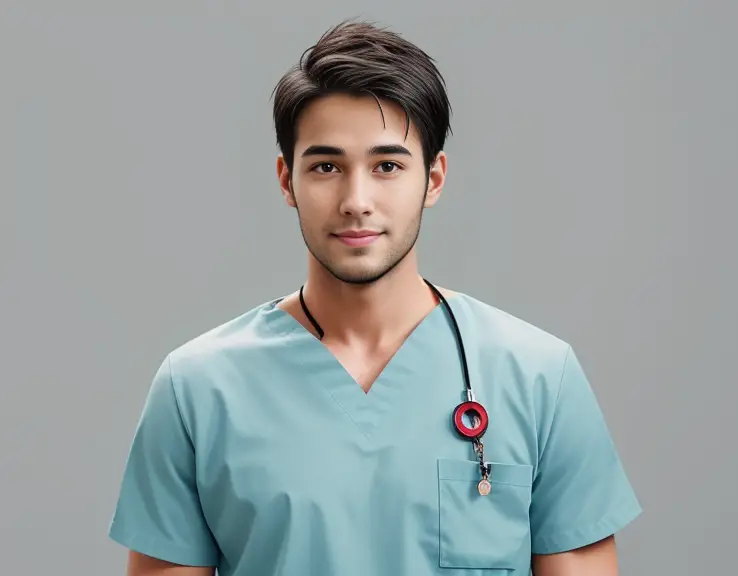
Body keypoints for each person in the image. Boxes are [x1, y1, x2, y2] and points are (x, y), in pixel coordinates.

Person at [108, 20, 642, 576]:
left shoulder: (537, 376)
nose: (356, 200)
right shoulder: (197, 389)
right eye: (326, 167)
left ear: (433, 179)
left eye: (387, 166)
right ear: (287, 181)